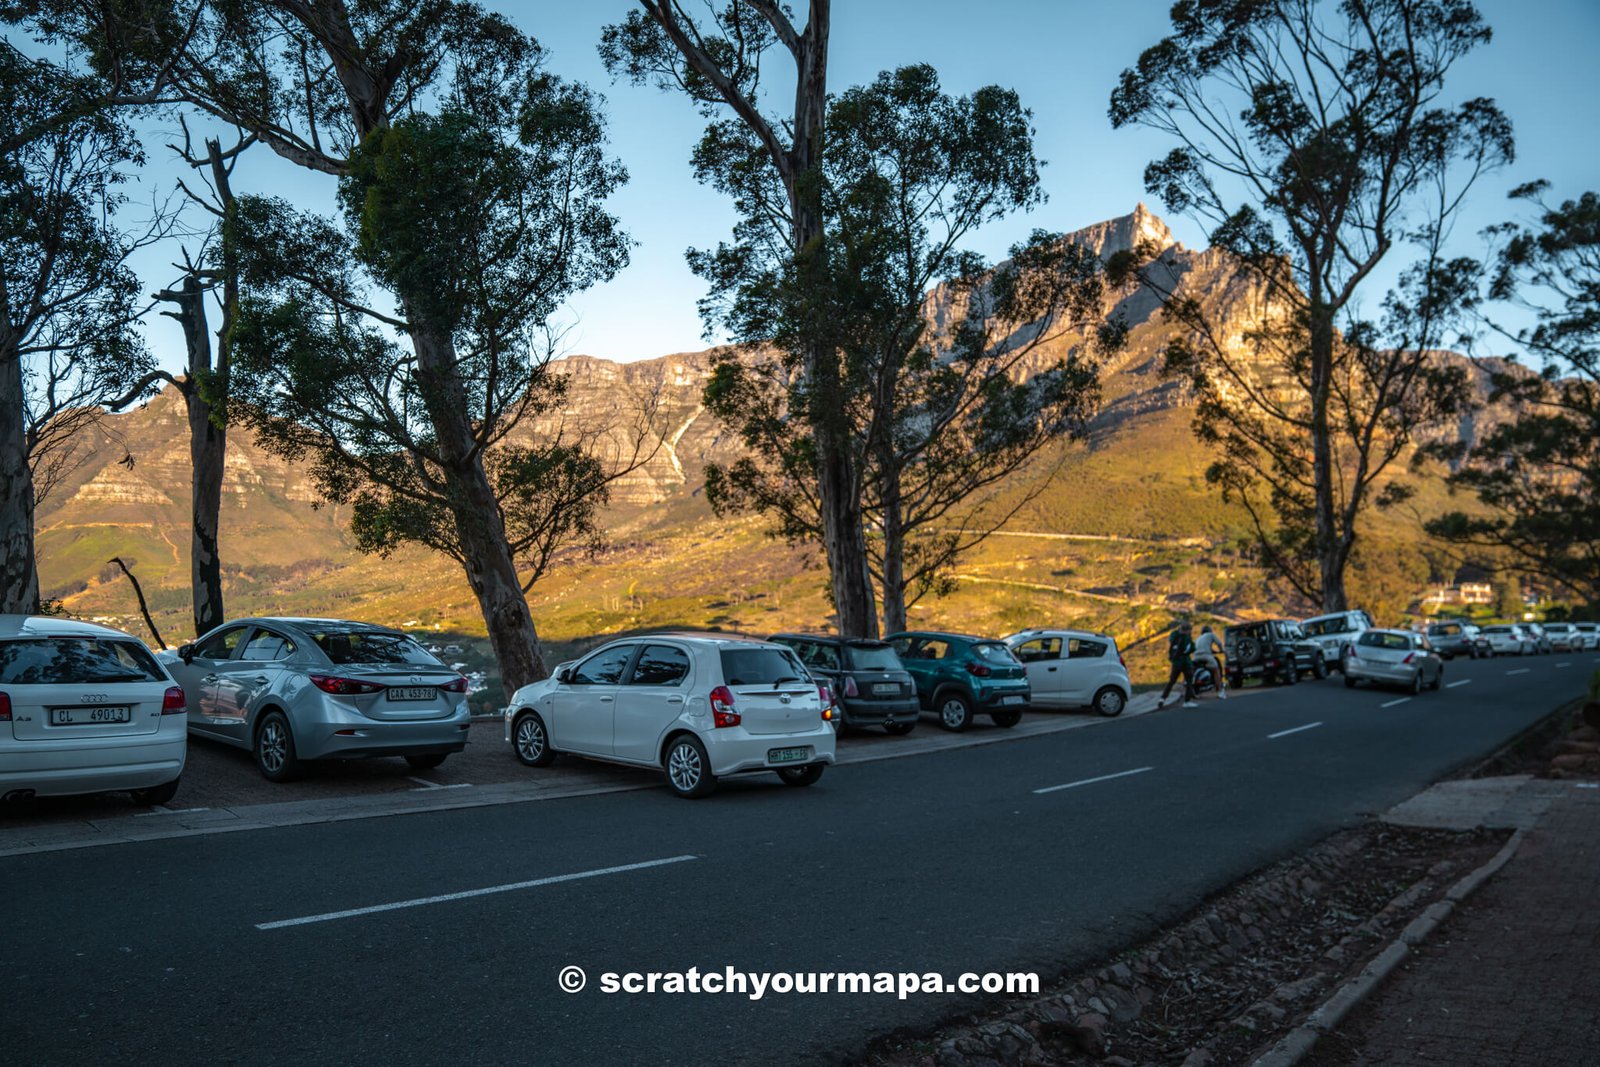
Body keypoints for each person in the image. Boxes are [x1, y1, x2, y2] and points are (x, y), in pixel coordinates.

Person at [1160, 620, 1198, 708]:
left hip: (1176, 662)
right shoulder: (1186, 637)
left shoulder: (1174, 635)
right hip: (1185, 662)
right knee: (1189, 681)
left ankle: (1162, 698)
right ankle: (1187, 701)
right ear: (1188, 630)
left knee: (1171, 681)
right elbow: (1191, 648)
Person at [1194, 624, 1226, 700]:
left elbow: (1204, 648)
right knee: (1216, 670)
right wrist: (1221, 650)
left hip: (1196, 657)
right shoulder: (1211, 635)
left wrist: (1213, 651)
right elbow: (1219, 643)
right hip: (1206, 656)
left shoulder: (1198, 638)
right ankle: (1219, 691)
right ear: (1209, 631)